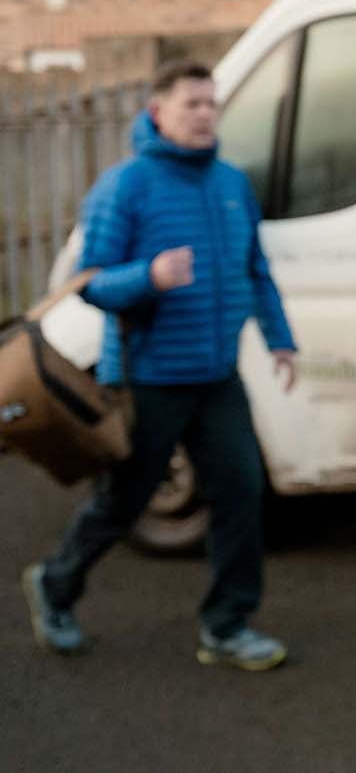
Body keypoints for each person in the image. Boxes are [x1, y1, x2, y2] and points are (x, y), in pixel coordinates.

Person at [20, 60, 298, 671]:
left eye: (211, 104)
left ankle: (226, 626)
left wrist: (281, 339)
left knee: (242, 493)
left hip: (218, 376)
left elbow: (257, 270)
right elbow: (87, 282)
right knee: (124, 501)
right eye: (191, 103)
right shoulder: (126, 186)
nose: (205, 114)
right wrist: (147, 276)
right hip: (150, 380)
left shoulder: (231, 183)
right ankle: (55, 583)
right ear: (158, 112)